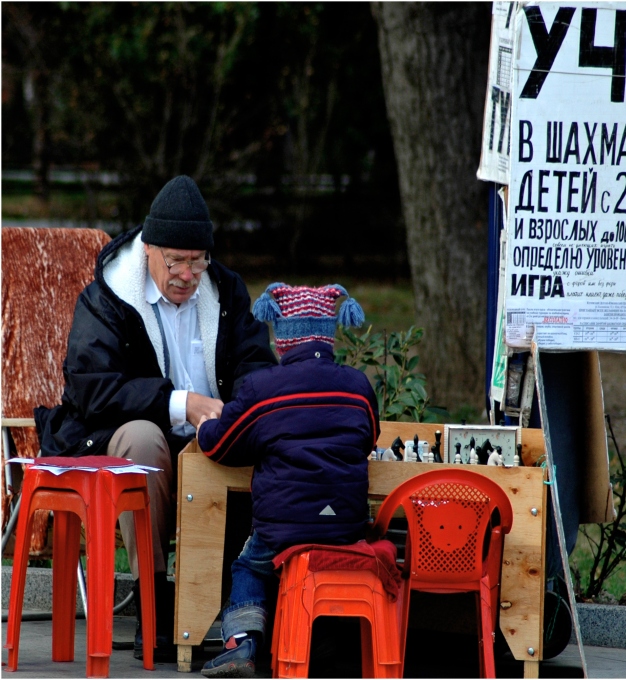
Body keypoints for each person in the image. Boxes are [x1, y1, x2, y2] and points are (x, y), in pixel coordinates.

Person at [34, 175, 278, 662]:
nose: (189, 274)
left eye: (198, 261)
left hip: (211, 438)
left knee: (262, 439)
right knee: (146, 442)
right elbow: (92, 387)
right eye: (177, 262)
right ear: (149, 250)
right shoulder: (107, 298)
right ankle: (156, 599)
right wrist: (181, 403)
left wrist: (235, 413)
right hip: (117, 435)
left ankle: (237, 602)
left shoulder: (225, 293)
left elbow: (257, 367)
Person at [196, 283, 380, 678]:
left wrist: (204, 426)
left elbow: (221, 447)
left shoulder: (263, 389)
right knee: (319, 561)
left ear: (282, 339)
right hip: (346, 524)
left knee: (250, 565)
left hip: (284, 524)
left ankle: (241, 643)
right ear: (330, 335)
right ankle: (320, 640)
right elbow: (370, 438)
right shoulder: (359, 386)